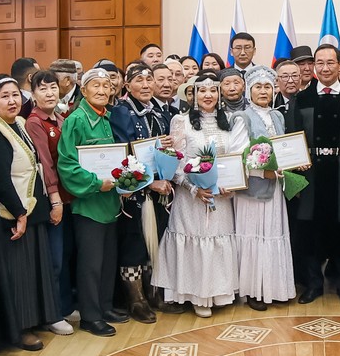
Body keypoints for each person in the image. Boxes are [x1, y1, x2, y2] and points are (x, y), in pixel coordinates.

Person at [0, 77, 62, 350]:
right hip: (13, 215)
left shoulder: (16, 125)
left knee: (33, 271)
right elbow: (1, 179)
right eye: (5, 96)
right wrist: (19, 213)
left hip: (30, 208)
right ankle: (19, 329)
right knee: (19, 275)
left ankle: (34, 320)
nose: (12, 101)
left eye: (15, 95)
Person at [286, 44, 340, 305]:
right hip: (309, 174)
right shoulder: (301, 100)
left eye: (330, 62)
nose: (324, 68)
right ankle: (313, 284)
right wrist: (294, 178)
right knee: (309, 229)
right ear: (313, 66)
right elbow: (291, 139)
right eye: (319, 63)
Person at [153, 71, 242, 316]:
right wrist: (194, 188)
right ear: (193, 95)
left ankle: (219, 292)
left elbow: (234, 159)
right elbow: (176, 163)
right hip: (190, 197)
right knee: (193, 241)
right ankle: (195, 296)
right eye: (202, 90)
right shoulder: (180, 122)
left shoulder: (232, 120)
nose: (208, 95)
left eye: (212, 90)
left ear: (219, 93)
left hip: (220, 197)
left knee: (218, 240)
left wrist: (229, 184)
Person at [56, 69, 127, 335]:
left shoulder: (107, 118)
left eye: (106, 86)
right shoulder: (76, 120)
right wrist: (97, 183)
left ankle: (105, 306)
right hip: (88, 205)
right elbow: (67, 164)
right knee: (91, 263)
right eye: (95, 85)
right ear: (82, 91)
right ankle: (90, 315)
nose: (101, 90)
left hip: (110, 203)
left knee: (108, 260)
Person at [110, 64, 176, 321]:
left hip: (159, 192)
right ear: (127, 86)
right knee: (134, 246)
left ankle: (153, 293)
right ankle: (136, 300)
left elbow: (160, 152)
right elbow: (123, 154)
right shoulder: (122, 113)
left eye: (150, 79)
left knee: (154, 243)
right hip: (135, 193)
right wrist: (149, 184)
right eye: (139, 80)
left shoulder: (157, 114)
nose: (147, 84)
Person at [232, 66, 296, 309]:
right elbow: (238, 156)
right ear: (249, 91)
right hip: (252, 190)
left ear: (274, 89)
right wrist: (262, 171)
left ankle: (273, 287)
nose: (263, 91)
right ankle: (252, 291)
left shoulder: (278, 116)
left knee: (272, 234)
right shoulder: (242, 118)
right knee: (253, 237)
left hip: (275, 186)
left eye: (267, 87)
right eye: (257, 87)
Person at [24, 70, 77, 332]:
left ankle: (65, 306)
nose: (49, 93)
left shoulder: (61, 118)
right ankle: (51, 314)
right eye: (42, 89)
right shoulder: (34, 122)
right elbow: (45, 165)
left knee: (65, 254)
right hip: (51, 200)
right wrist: (55, 201)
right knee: (54, 258)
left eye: (53, 88)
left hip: (69, 198)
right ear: (33, 93)